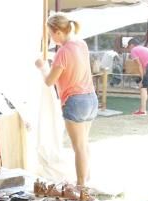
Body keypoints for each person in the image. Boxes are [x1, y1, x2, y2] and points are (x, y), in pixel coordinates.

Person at [35, 13, 97, 187]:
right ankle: (87, 179)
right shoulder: (81, 44)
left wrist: (42, 67)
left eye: (50, 34)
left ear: (57, 32)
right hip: (91, 99)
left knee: (78, 147)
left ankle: (81, 184)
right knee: (84, 144)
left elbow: (49, 81)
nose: (50, 38)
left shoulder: (62, 52)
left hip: (75, 102)